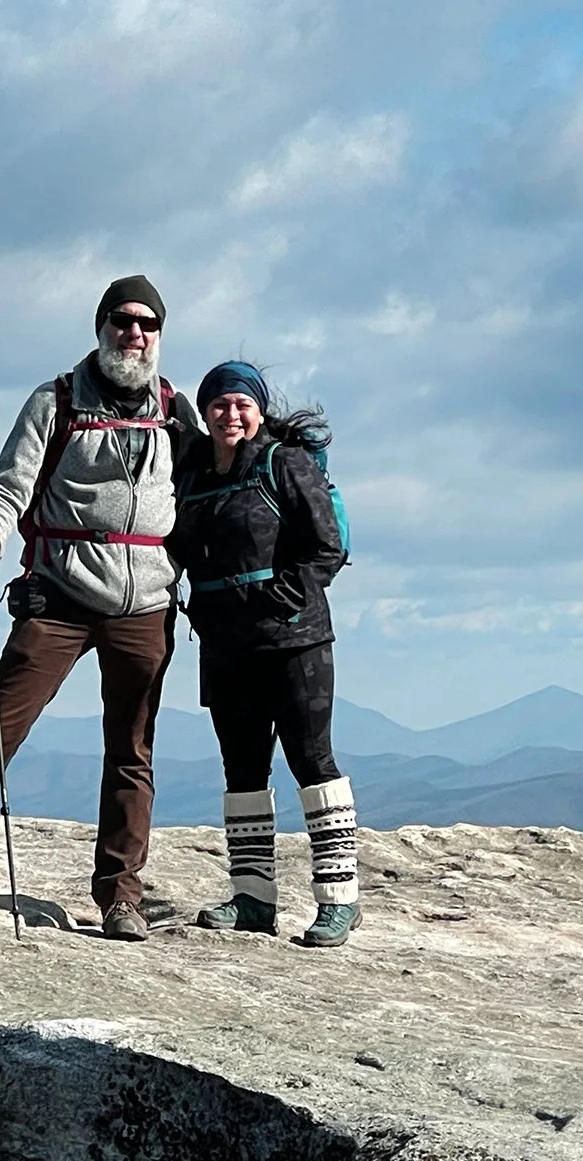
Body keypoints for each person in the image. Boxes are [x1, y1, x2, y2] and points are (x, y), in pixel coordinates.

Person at [0, 275, 204, 940]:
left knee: (132, 749)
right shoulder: (55, 401)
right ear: (100, 327)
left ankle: (121, 896)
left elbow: (205, 489)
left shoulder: (175, 411)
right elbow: (9, 483)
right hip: (62, 594)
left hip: (148, 603)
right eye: (121, 321)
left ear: (159, 335)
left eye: (147, 325)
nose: (134, 334)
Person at [167, 360, 360, 947]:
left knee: (311, 761)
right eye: (220, 404)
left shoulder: (284, 462)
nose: (231, 413)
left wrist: (289, 593)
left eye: (241, 403)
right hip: (227, 646)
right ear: (204, 413)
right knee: (243, 769)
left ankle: (340, 901)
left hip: (295, 640)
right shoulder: (193, 473)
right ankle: (253, 899)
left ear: (257, 409)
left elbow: (327, 544)